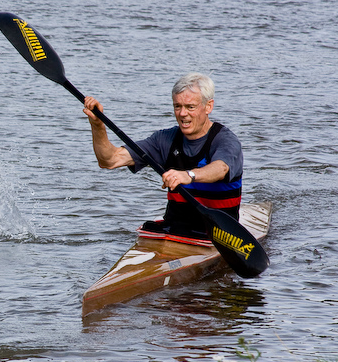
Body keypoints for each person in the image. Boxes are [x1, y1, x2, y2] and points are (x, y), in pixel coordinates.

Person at [82, 72, 243, 239]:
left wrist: (189, 175)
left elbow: (221, 168)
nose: (182, 113)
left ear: (208, 106)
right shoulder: (164, 140)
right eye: (177, 106)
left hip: (219, 235)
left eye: (190, 107)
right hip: (174, 233)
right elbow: (109, 160)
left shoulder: (226, 140)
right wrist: (97, 125)